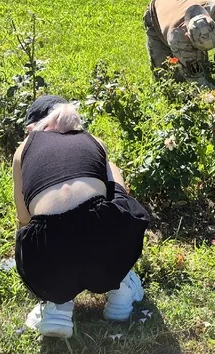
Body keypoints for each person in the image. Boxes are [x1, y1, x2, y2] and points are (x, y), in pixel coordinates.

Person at [13, 95, 150, 339]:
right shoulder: (93, 140)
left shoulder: (24, 149)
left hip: (48, 259)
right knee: (112, 178)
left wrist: (32, 262)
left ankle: (57, 304)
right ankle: (120, 288)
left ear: (31, 128)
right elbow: (115, 195)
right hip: (104, 250)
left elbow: (24, 219)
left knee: (38, 228)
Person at [144, 0, 215, 90]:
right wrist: (213, 94)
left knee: (203, 66)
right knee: (165, 76)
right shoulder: (177, 37)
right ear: (188, 36)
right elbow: (195, 79)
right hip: (156, 12)